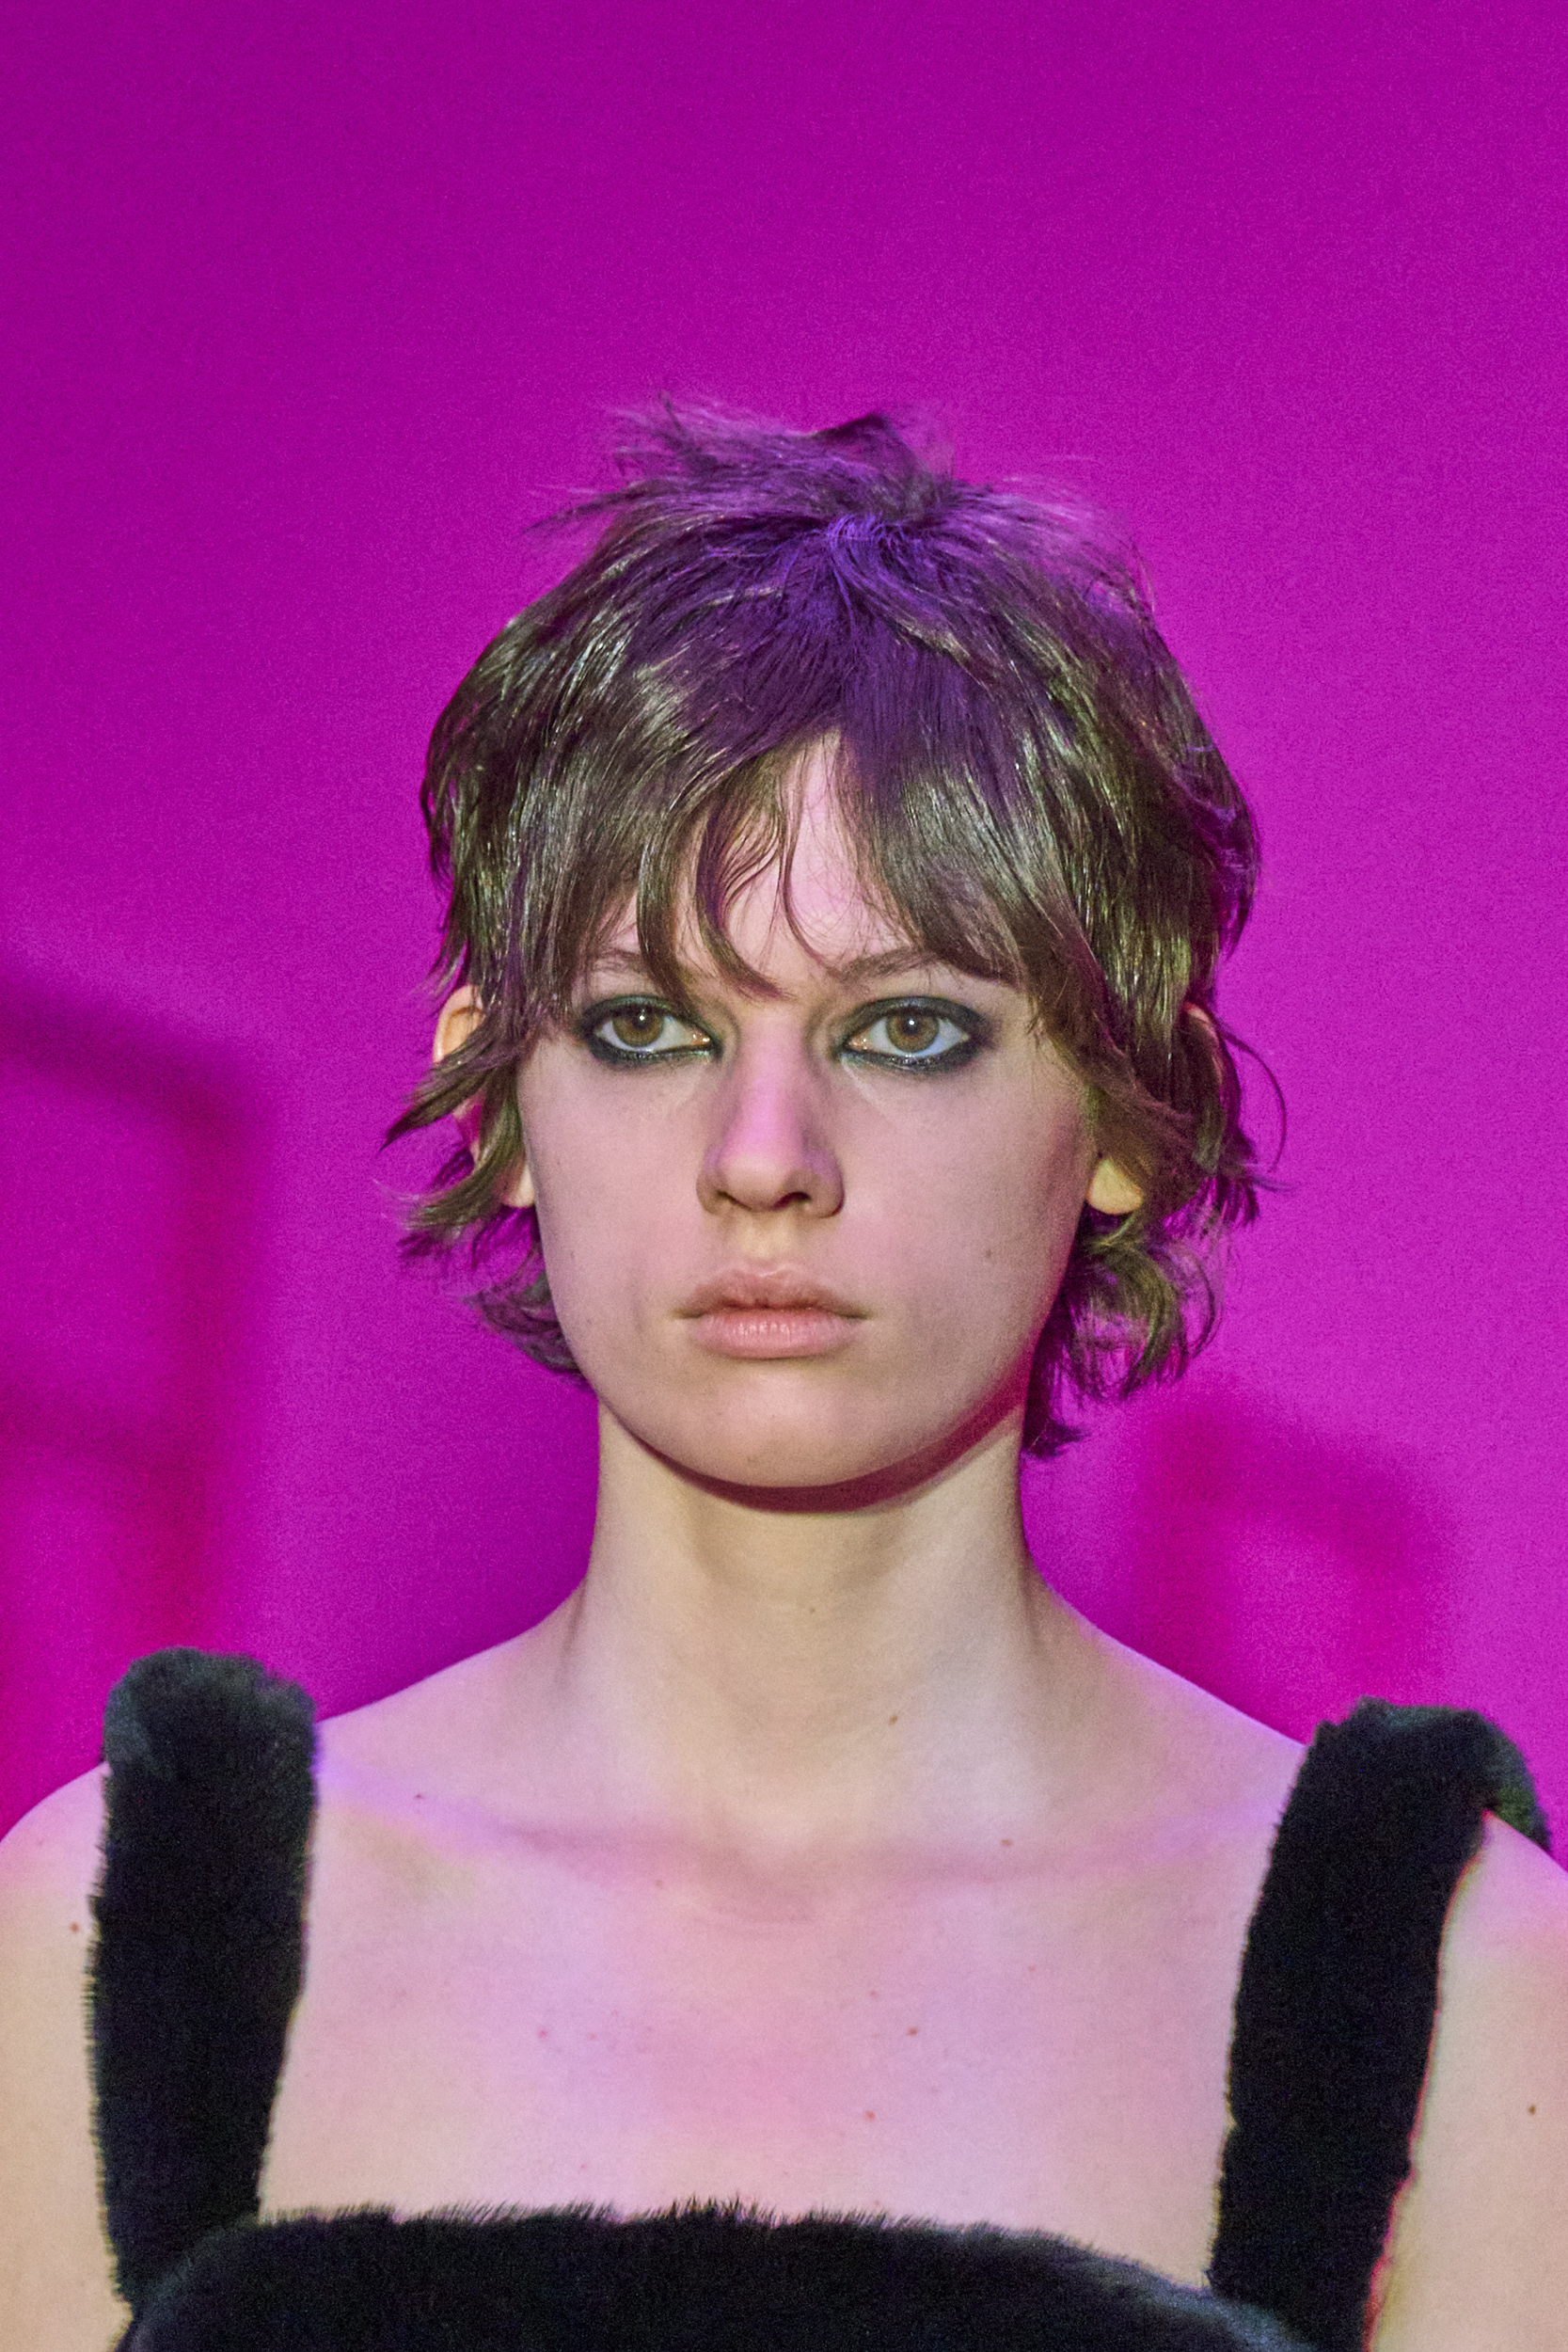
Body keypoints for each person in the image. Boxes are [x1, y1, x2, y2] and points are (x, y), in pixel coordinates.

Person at [3, 408, 1566, 2352]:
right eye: (646, 1026)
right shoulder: (118, 1936)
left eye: (904, 1030)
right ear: (497, 1094)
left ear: (1127, 1105)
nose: (764, 1156)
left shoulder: (1461, 1997)